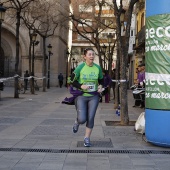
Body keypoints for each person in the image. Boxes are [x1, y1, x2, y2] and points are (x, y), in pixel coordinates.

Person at [70, 48, 103, 147]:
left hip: (94, 96)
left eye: (93, 54)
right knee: (82, 119)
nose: (92, 56)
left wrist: (101, 86)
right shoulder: (80, 68)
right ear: (85, 57)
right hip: (81, 96)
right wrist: (81, 86)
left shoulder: (97, 68)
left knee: (91, 117)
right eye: (89, 54)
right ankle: (77, 121)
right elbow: (71, 80)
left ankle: (87, 138)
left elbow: (101, 80)